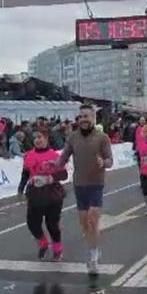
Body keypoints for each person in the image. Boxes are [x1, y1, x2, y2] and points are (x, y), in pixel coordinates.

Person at [56, 105, 113, 275]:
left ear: (94, 118)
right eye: (81, 117)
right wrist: (53, 165)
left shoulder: (102, 138)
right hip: (79, 184)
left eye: (86, 116)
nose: (83, 120)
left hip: (96, 183)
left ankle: (93, 256)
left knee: (93, 218)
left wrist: (104, 163)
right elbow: (63, 157)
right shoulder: (73, 138)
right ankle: (92, 247)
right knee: (84, 222)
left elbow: (110, 160)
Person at [18, 130, 68, 261]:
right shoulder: (29, 155)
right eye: (35, 138)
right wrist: (20, 190)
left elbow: (64, 174)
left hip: (52, 193)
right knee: (32, 223)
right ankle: (43, 243)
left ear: (46, 138)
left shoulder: (54, 155)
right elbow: (25, 174)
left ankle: (57, 250)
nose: (37, 140)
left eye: (40, 137)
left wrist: (50, 178)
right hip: (35, 193)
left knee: (52, 224)